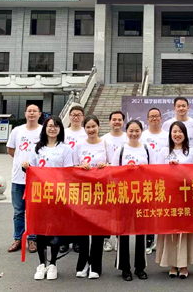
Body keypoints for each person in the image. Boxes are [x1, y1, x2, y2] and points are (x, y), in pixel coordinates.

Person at [22, 115, 74, 280]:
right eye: (50, 126)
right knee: (40, 231)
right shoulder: (37, 148)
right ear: (45, 128)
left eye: (56, 126)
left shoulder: (66, 149)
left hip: (57, 196)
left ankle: (53, 264)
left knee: (55, 231)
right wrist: (26, 167)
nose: (52, 129)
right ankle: (41, 264)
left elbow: (68, 173)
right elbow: (31, 169)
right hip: (40, 196)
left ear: (60, 129)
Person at [155, 121, 193, 279]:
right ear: (170, 134)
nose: (177, 135)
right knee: (170, 230)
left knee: (185, 231)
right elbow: (156, 173)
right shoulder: (164, 152)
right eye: (174, 131)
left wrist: (181, 169)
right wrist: (169, 169)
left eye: (180, 132)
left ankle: (183, 265)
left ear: (185, 134)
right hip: (168, 198)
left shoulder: (192, 152)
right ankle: (172, 264)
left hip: (186, 197)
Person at [111, 119, 155, 281]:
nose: (134, 134)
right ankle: (125, 268)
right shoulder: (121, 150)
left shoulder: (147, 149)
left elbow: (154, 171)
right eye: (131, 131)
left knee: (141, 233)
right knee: (123, 232)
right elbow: (113, 173)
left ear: (141, 132)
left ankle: (140, 267)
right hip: (124, 196)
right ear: (126, 131)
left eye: (137, 131)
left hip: (142, 196)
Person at [74, 115, 113, 279]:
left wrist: (106, 166)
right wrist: (80, 167)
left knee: (97, 229)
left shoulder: (106, 144)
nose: (91, 130)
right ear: (84, 129)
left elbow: (114, 166)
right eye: (88, 127)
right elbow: (73, 167)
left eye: (93, 126)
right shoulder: (79, 145)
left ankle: (95, 266)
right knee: (83, 229)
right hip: (83, 191)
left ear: (98, 127)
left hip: (100, 192)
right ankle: (83, 264)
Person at [6, 103, 42, 254]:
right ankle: (18, 239)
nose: (32, 113)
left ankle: (32, 239)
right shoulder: (17, 130)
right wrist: (20, 161)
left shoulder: (43, 131)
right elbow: (11, 149)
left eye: (34, 111)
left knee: (33, 211)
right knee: (18, 211)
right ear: (25, 114)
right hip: (18, 178)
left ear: (39, 114)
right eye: (29, 111)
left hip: (36, 178)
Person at [140, 107, 169, 254]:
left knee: (164, 210)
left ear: (161, 118)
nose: (154, 119)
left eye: (157, 116)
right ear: (147, 119)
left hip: (165, 178)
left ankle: (164, 241)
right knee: (150, 210)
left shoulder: (167, 135)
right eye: (151, 116)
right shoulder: (142, 136)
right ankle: (149, 240)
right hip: (147, 178)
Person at [101, 110, 128, 252]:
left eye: (119, 119)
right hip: (108, 180)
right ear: (109, 122)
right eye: (114, 119)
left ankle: (119, 238)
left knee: (120, 212)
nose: (117, 122)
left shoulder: (128, 137)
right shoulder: (104, 139)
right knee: (107, 212)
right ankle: (106, 239)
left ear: (123, 122)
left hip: (124, 181)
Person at [62, 105, 88, 253]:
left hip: (81, 175)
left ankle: (78, 239)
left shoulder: (86, 132)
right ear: (69, 116)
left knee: (79, 209)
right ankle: (65, 240)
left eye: (79, 115)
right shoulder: (64, 133)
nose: (76, 117)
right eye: (73, 114)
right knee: (65, 209)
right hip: (65, 174)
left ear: (83, 117)